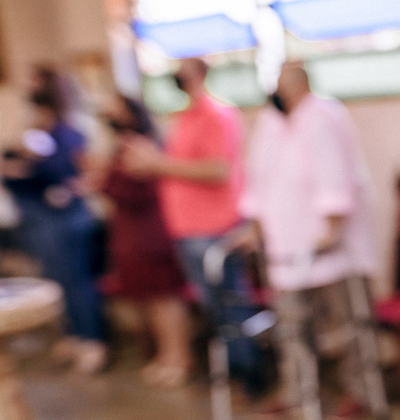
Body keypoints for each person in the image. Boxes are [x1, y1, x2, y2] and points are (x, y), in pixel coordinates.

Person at [239, 64, 385, 420]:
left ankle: (361, 393)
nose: (278, 90)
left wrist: (331, 224)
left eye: (285, 84)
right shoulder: (272, 122)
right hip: (283, 244)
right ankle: (297, 394)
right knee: (291, 326)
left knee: (349, 324)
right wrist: (256, 224)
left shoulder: (324, 115)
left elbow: (335, 171)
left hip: (329, 245)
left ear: (300, 85)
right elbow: (259, 173)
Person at [122, 57, 265, 396]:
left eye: (184, 70)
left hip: (215, 227)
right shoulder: (183, 119)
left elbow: (218, 170)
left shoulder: (217, 115)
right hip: (187, 229)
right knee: (212, 306)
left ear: (200, 75)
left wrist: (159, 164)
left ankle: (249, 376)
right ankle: (227, 370)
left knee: (231, 304)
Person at [2, 87, 107, 373]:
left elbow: (89, 173)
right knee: (57, 280)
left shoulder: (70, 136)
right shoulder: (35, 139)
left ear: (46, 109)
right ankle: (73, 336)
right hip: (43, 224)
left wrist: (69, 190)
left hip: (69, 221)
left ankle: (92, 340)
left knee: (77, 282)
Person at [97, 96, 191, 388]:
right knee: (149, 302)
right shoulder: (122, 146)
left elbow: (136, 188)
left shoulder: (145, 145)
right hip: (130, 235)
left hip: (150, 233)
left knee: (165, 299)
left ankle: (179, 358)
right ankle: (165, 355)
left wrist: (102, 179)